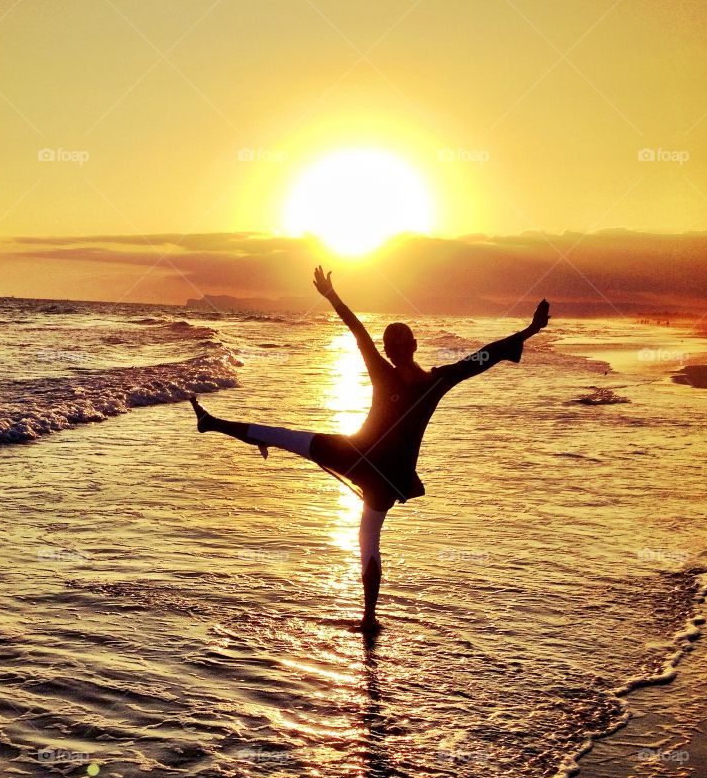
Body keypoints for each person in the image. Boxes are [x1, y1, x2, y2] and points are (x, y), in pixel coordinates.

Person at [191, 266, 550, 632]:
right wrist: (529, 331)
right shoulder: (437, 379)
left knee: (287, 438)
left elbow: (361, 334)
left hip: (359, 457)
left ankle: (214, 424)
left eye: (394, 345)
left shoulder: (398, 373)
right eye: (393, 346)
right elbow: (484, 356)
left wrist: (332, 296)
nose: (393, 350)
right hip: (387, 475)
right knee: (366, 537)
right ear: (409, 348)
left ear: (404, 349)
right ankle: (369, 619)